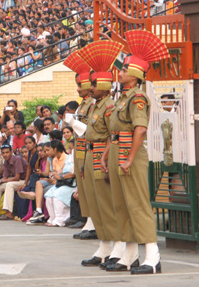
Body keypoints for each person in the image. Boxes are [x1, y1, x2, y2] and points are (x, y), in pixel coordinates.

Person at [102, 30, 169, 275]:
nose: (119, 73)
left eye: (123, 70)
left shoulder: (138, 97)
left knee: (138, 205)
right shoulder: (124, 97)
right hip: (119, 151)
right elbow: (115, 129)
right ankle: (129, 256)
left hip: (131, 154)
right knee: (122, 206)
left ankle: (153, 257)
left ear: (134, 74)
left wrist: (129, 158)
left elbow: (140, 130)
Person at [77, 40, 126, 269]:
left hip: (100, 156)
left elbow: (111, 135)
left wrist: (105, 158)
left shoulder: (107, 106)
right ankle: (105, 246)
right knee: (96, 205)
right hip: (89, 155)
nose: (90, 86)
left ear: (105, 86)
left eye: (94, 83)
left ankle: (118, 246)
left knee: (107, 204)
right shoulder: (96, 105)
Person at [63, 51, 96, 239]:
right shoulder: (84, 103)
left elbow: (88, 128)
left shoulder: (91, 103)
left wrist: (73, 123)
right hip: (80, 149)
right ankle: (88, 221)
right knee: (83, 189)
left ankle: (92, 223)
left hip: (88, 149)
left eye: (79, 85)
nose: (77, 89)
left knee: (89, 189)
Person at [0, 144, 28, 220]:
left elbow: (17, 177)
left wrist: (2, 181)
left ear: (11, 152)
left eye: (7, 152)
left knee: (9, 185)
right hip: (16, 181)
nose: (5, 154)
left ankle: (8, 212)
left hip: (25, 181)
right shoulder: (6, 162)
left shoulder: (17, 159)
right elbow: (5, 177)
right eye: (3, 153)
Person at [44, 141, 76, 227]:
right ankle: (52, 218)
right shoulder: (69, 157)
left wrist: (61, 177)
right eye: (69, 148)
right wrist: (55, 174)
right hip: (64, 182)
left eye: (71, 148)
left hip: (73, 183)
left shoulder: (77, 157)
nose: (69, 150)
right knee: (49, 194)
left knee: (57, 194)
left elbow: (74, 173)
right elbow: (62, 169)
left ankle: (60, 220)